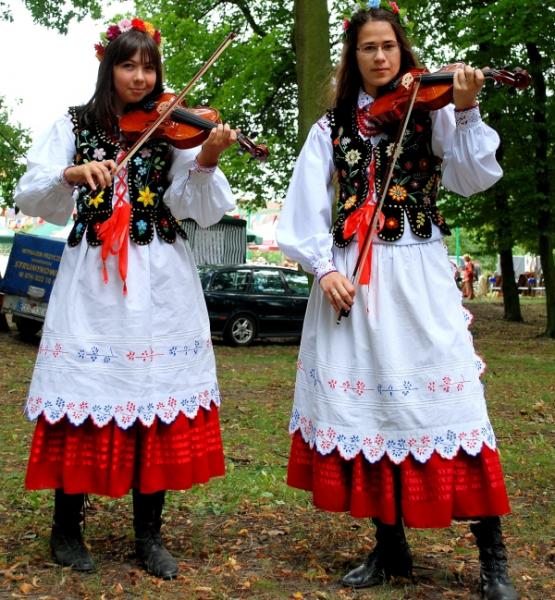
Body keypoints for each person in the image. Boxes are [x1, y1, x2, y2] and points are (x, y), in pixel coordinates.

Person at [276, 3, 517, 599]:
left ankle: (493, 555)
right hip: (355, 278)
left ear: (402, 51)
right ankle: (390, 548)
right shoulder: (330, 127)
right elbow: (303, 211)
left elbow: (471, 177)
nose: (379, 57)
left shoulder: (432, 111)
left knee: (451, 406)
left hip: (418, 272)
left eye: (387, 46)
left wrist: (466, 109)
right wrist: (323, 269)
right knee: (373, 410)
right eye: (367, 48)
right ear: (352, 58)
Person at [15, 17, 236, 579]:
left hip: (159, 275)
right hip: (93, 274)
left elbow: (202, 208)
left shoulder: (172, 127)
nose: (140, 77)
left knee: (154, 391)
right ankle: (66, 527)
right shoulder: (74, 122)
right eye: (128, 64)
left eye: (148, 67)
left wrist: (207, 158)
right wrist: (71, 171)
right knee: (83, 391)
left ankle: (149, 535)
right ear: (108, 67)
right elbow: (31, 191)